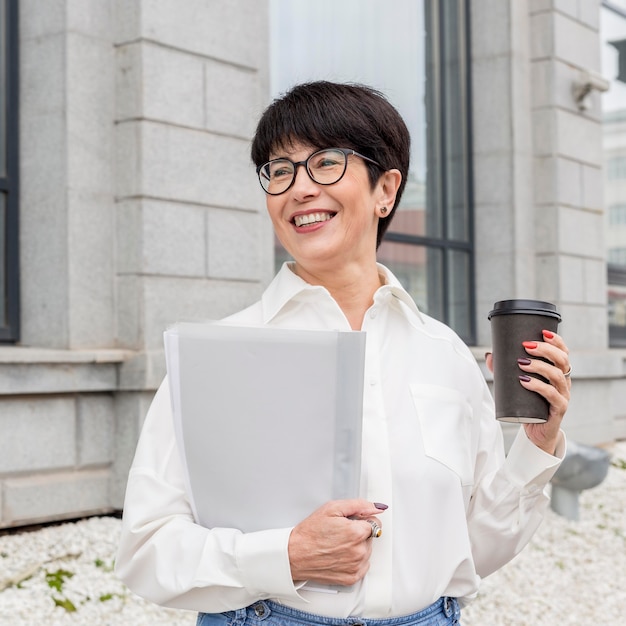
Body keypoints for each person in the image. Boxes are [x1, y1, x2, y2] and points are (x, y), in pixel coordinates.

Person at [115, 81, 571, 626]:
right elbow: (146, 550)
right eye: (280, 171)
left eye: (326, 163)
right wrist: (282, 557)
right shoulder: (218, 354)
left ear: (386, 189)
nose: (300, 188)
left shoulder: (443, 351)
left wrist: (537, 445)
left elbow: (473, 546)